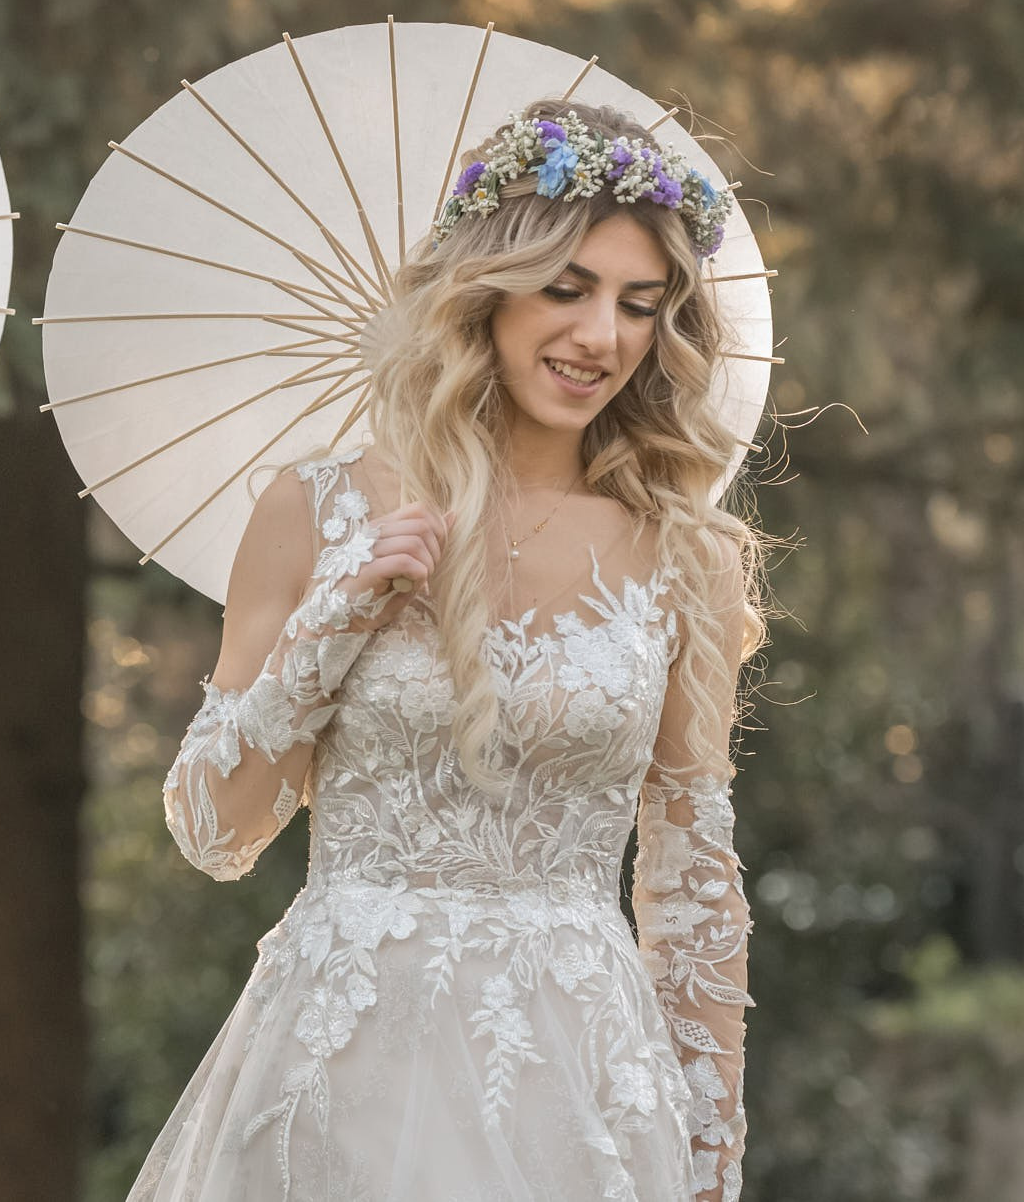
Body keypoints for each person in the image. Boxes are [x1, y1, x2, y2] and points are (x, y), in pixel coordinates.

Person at [137, 100, 765, 1202]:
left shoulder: (686, 553)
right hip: (343, 1073)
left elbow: (690, 878)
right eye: (566, 288)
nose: (602, 336)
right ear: (485, 291)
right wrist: (338, 611)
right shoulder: (314, 510)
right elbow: (211, 828)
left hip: (576, 1089)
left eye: (638, 304)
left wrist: (710, 1158)